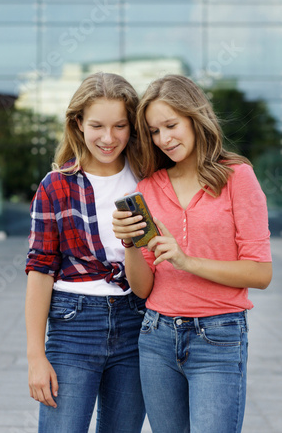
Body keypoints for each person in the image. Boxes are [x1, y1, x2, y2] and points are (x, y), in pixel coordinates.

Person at [112, 75, 272, 433]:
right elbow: (142, 289)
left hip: (218, 337)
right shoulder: (149, 187)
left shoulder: (237, 178)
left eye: (171, 125)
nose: (164, 139)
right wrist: (130, 244)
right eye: (154, 131)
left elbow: (260, 273)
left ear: (195, 118)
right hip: (156, 336)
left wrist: (186, 261)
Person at [25, 72, 146, 433]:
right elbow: (40, 270)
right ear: (78, 123)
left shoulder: (149, 179)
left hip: (137, 323)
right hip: (73, 327)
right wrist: (35, 357)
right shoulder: (56, 185)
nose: (108, 138)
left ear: (132, 126)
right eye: (97, 125)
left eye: (120, 126)